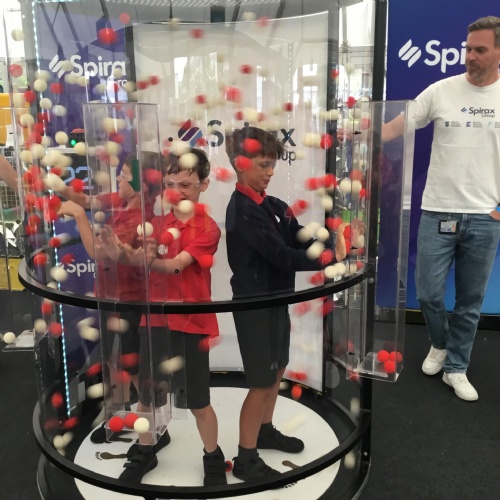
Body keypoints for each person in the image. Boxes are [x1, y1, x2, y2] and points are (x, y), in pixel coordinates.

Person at [382, 16, 500, 401]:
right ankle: (440, 343)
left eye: (480, 49)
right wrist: (357, 129)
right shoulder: (441, 90)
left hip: (485, 217)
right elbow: (395, 127)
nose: (471, 56)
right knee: (429, 293)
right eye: (468, 49)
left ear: (498, 52)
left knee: (470, 302)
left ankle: (456, 367)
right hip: (438, 212)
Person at [224, 126, 346, 481]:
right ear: (240, 163)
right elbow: (281, 256)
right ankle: (246, 459)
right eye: (263, 164)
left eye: (273, 164)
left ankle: (264, 431)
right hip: (254, 307)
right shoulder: (242, 210)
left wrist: (334, 243)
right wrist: (330, 258)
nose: (270, 172)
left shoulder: (274, 205)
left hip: (277, 302)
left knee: (276, 371)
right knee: (261, 382)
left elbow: (298, 238)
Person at [115, 149, 227, 485]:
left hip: (192, 325)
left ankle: (212, 456)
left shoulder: (208, 228)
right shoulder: (156, 223)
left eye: (186, 185)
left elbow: (177, 265)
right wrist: (119, 250)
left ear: (204, 184)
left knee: (198, 402)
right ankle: (145, 450)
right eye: (170, 184)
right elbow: (133, 258)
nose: (177, 192)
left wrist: (145, 259)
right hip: (156, 322)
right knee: (147, 398)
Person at [58, 152, 164, 439]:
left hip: (130, 303)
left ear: (142, 187)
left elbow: (98, 253)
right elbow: (83, 198)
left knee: (132, 366)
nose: (118, 178)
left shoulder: (140, 220)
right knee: (115, 362)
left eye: (124, 176)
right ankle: (122, 418)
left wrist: (78, 216)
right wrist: (50, 180)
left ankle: (150, 424)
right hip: (111, 299)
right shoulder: (120, 200)